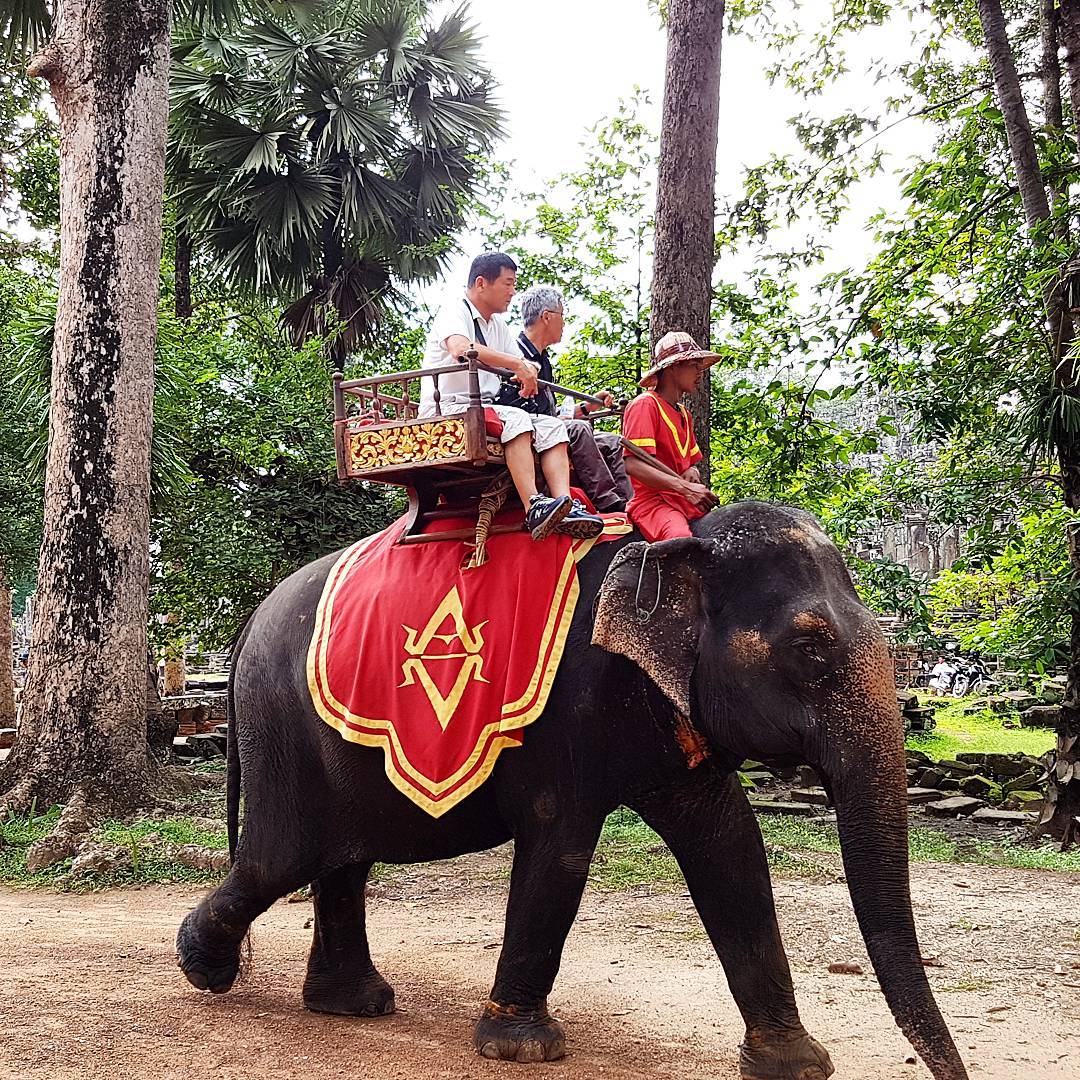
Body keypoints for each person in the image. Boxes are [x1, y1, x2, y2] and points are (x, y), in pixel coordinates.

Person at [420, 252, 604, 541]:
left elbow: (522, 363)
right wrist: (518, 365)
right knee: (517, 418)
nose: (512, 292)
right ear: (481, 283)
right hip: (450, 410)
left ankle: (564, 504)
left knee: (551, 425)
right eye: (507, 283)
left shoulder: (497, 326)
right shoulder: (455, 310)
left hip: (485, 409)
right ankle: (534, 506)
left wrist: (526, 369)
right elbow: (460, 348)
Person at [512, 285, 634, 513]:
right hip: (525, 430)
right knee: (578, 429)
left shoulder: (543, 359)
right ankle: (609, 505)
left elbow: (552, 414)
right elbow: (517, 406)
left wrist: (586, 407)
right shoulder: (514, 354)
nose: (565, 322)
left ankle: (631, 502)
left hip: (549, 426)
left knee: (613, 442)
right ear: (546, 317)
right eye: (562, 315)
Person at [621, 331, 721, 542]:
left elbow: (688, 463)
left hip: (683, 501)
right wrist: (684, 488)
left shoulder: (685, 414)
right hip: (653, 503)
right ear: (673, 367)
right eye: (694, 365)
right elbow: (632, 465)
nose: (700, 373)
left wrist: (691, 472)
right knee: (681, 540)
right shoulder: (645, 405)